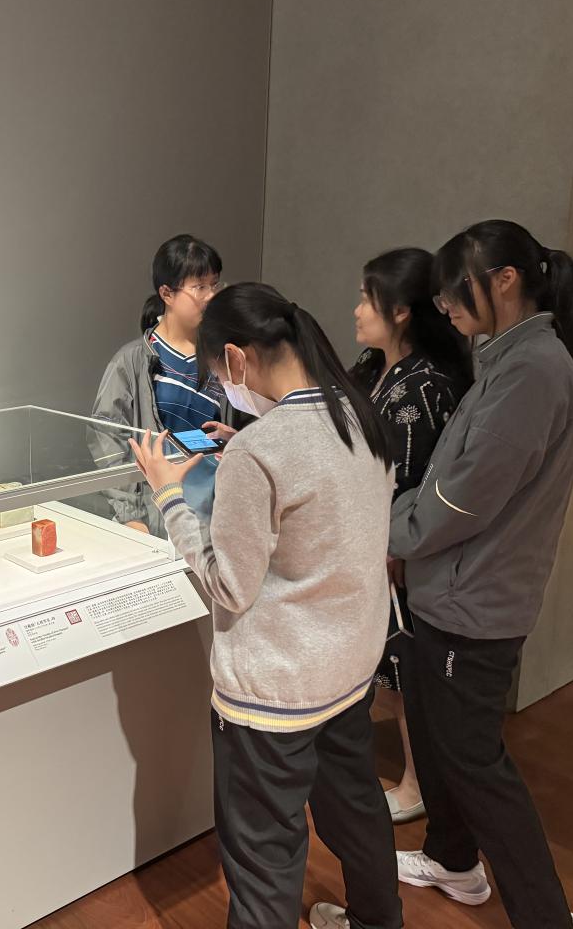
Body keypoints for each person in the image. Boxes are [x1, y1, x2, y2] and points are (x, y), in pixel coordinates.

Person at [130, 283, 402, 929]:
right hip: (349, 668)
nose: (225, 387)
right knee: (356, 810)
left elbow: (229, 585)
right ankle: (377, 920)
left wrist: (169, 497)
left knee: (263, 856)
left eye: (219, 373)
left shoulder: (261, 450)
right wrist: (245, 445)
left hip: (273, 691)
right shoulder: (358, 414)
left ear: (236, 357)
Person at [388, 220, 573, 929]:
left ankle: (547, 917)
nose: (444, 306)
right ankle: (453, 861)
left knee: (475, 762)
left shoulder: (534, 372)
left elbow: (462, 497)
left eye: (454, 290)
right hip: (451, 591)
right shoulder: (511, 360)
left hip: (472, 601)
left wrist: (388, 528)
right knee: (442, 743)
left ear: (505, 281)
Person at [348, 248, 473, 824]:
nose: (356, 310)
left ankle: (419, 783)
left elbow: (415, 481)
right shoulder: (373, 367)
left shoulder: (425, 387)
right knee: (389, 668)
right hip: (371, 539)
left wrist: (395, 546)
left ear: (400, 311)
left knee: (406, 669)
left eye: (365, 299)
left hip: (400, 549)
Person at [90, 235, 233, 535]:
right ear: (167, 293)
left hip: (214, 516)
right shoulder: (133, 360)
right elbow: (106, 436)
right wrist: (129, 513)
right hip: (156, 516)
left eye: (214, 284)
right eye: (200, 287)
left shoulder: (225, 357)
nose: (211, 296)